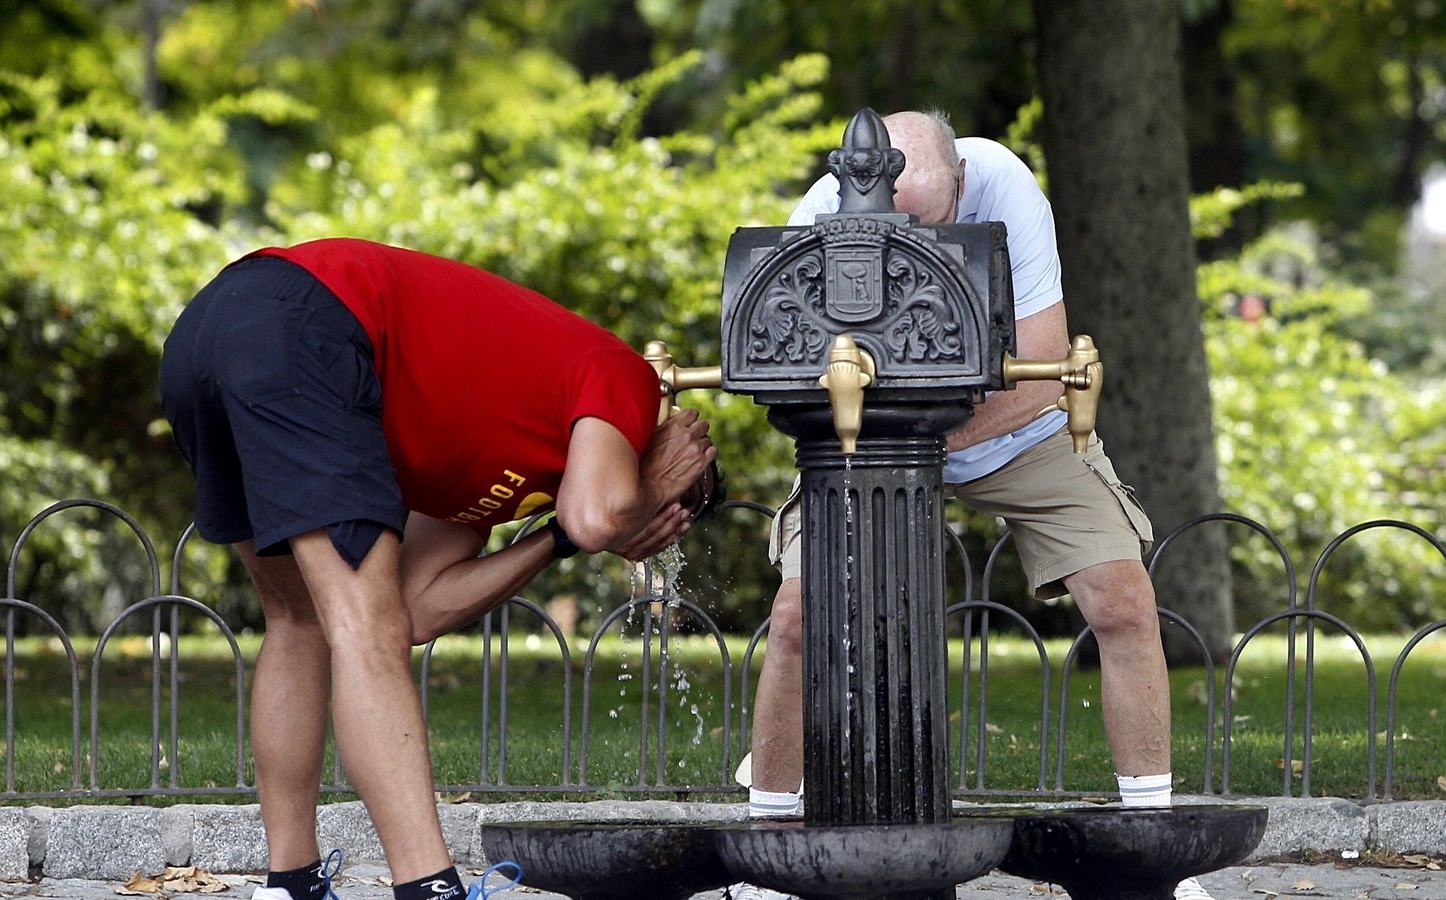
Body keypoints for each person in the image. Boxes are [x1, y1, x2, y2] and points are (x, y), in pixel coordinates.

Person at [731, 111, 1209, 900]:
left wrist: (927, 435)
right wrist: (887, 436)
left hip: (1008, 431)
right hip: (863, 446)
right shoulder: (817, 213)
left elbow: (1047, 364)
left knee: (1124, 601)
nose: (911, 238)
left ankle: (1152, 857)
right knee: (795, 618)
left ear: (960, 179)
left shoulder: (1005, 183)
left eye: (932, 222)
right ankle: (770, 852)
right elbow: (793, 379)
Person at [159, 238, 719, 900]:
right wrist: (643, 498)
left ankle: (291, 885)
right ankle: (430, 889)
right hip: (310, 319)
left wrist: (554, 542)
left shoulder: (506, 470)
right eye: (674, 504)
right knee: (364, 626)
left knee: (300, 617)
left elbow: (421, 607)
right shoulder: (622, 374)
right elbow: (602, 515)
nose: (655, 529)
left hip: (207, 332)